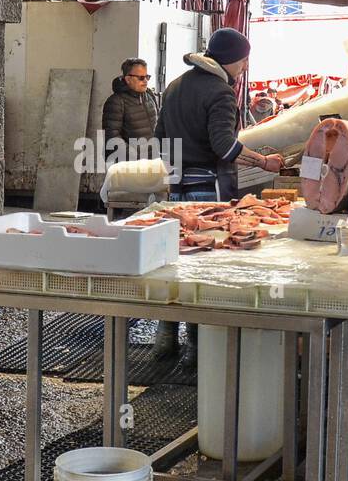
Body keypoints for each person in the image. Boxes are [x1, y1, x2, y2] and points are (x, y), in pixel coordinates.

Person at [152, 27, 283, 360]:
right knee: (204, 267)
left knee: (173, 260)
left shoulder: (176, 86)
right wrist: (263, 161)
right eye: (243, 60)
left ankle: (164, 338)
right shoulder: (220, 93)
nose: (244, 67)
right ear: (232, 59)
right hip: (208, 192)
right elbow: (224, 147)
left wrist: (177, 173)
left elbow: (159, 138)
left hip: (177, 190)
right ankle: (197, 348)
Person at [101, 57, 158, 162]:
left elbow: (158, 126)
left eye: (147, 77)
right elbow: (113, 138)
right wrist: (136, 158)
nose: (145, 81)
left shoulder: (150, 96)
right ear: (128, 79)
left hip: (152, 161)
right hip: (129, 166)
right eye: (141, 78)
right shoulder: (116, 102)